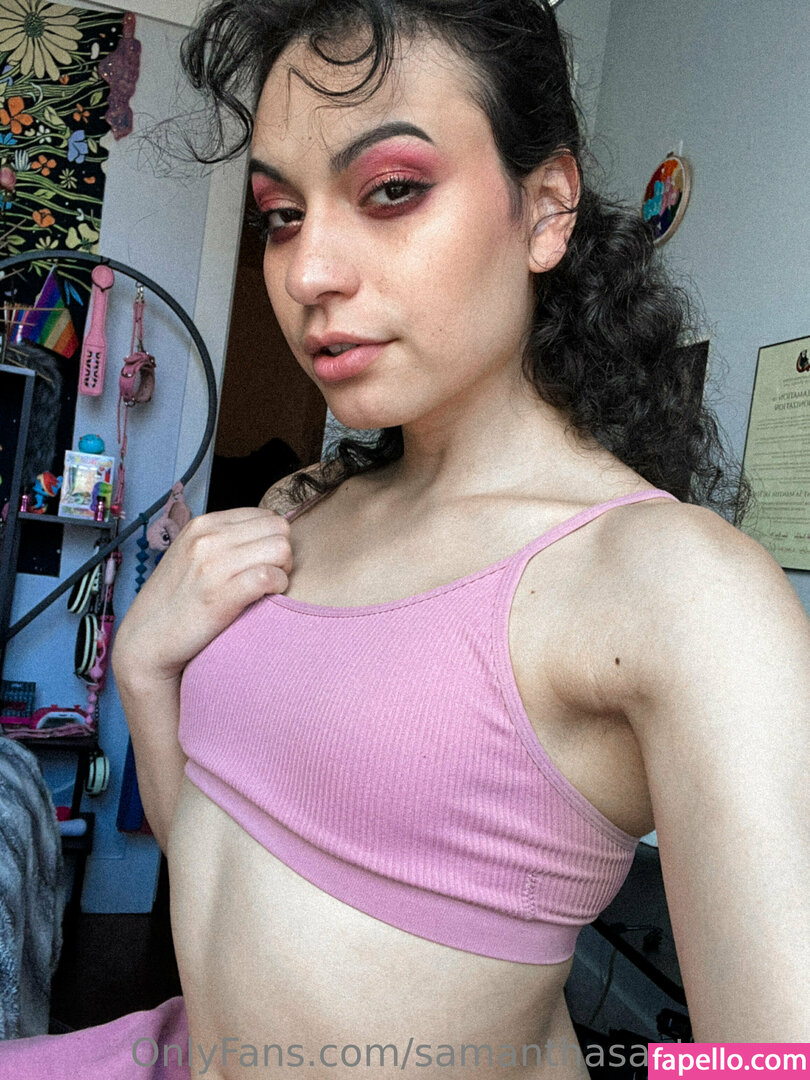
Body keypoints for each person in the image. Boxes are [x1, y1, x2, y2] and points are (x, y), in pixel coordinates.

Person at [2, 1, 808, 1077]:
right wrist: (147, 670)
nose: (307, 273)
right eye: (282, 215)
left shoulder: (673, 585)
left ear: (546, 209)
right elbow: (216, 857)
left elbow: (777, 1058)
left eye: (391, 190)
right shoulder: (303, 503)